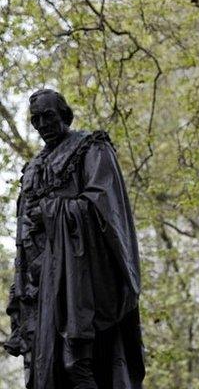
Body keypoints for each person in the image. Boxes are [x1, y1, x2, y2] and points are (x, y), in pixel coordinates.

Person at [5, 89, 144, 388]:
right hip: (43, 285)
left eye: (49, 116)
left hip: (81, 277)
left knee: (77, 362)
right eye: (36, 119)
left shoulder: (90, 147)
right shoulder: (32, 168)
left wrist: (53, 211)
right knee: (50, 368)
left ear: (65, 114)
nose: (42, 124)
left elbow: (104, 207)